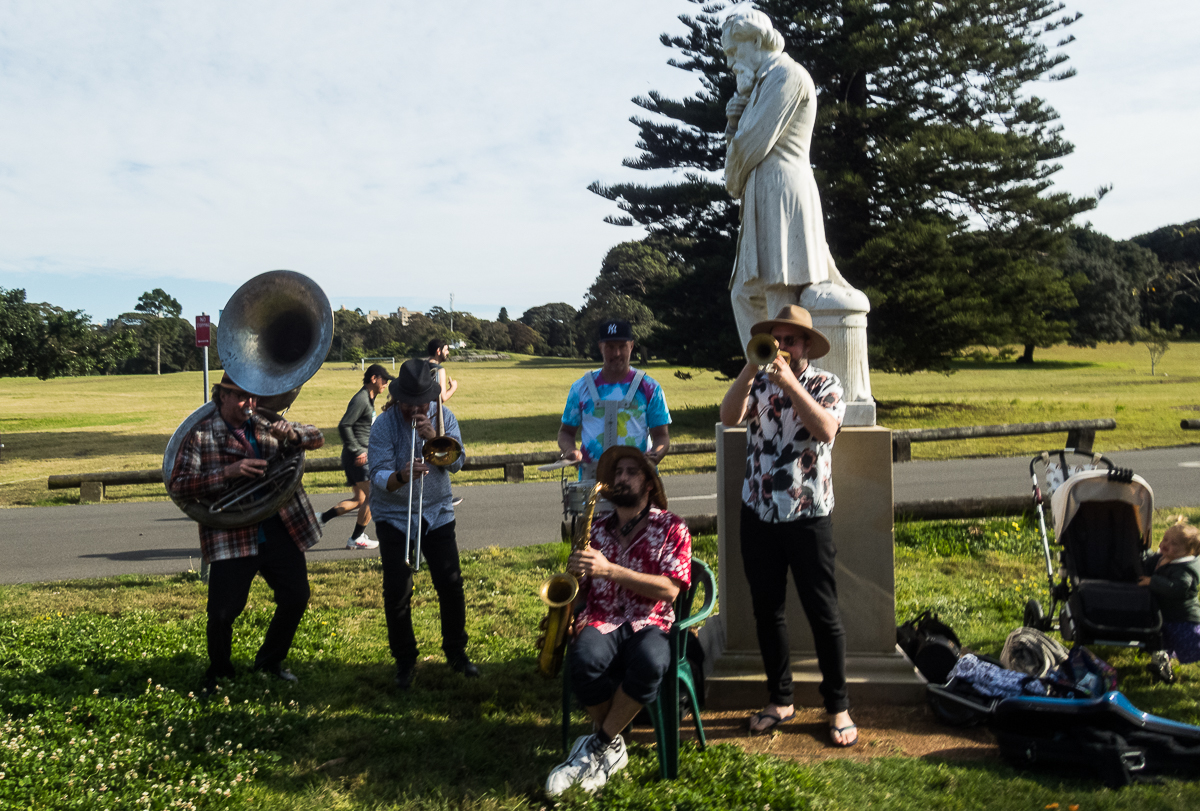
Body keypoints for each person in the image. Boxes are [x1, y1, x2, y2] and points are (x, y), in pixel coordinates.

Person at [719, 304, 857, 746]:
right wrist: (749, 367)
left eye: (790, 341)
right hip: (758, 511)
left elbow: (825, 430)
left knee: (823, 613)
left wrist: (790, 383)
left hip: (808, 515)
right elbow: (728, 418)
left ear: (807, 347)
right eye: (775, 340)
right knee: (767, 609)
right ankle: (780, 699)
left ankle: (838, 706)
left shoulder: (826, 383)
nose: (781, 347)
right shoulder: (756, 380)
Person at [545, 446, 692, 796]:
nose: (621, 478)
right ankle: (612, 743)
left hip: (649, 621)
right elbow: (580, 585)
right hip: (601, 618)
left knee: (650, 662)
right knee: (584, 662)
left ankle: (599, 744)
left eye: (631, 472)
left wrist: (610, 570)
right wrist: (569, 612)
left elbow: (669, 590)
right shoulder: (593, 527)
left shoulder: (672, 527)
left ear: (649, 484)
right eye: (618, 473)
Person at [168, 373, 325, 690]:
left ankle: (270, 661)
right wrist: (227, 472)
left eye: (253, 398)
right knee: (223, 613)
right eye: (241, 398)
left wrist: (291, 435)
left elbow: (317, 436)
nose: (250, 405)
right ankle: (220, 672)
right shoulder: (200, 435)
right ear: (222, 396)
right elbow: (179, 486)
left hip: (278, 526)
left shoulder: (266, 422)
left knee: (296, 597)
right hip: (232, 533)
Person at [721, 8, 853, 348]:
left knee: (782, 296)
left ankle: (788, 382)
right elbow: (741, 145)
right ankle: (767, 374)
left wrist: (733, 165)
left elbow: (751, 145)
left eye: (734, 51)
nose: (731, 62)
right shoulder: (759, 87)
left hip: (783, 195)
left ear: (755, 39)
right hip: (761, 196)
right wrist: (734, 124)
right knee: (744, 293)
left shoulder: (786, 76)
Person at [368, 358, 477, 688]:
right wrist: (401, 476)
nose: (415, 408)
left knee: (451, 584)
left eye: (422, 402)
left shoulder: (446, 418)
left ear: (431, 398)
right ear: (398, 398)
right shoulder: (383, 424)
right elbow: (376, 475)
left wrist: (435, 439)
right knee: (397, 591)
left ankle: (456, 652)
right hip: (395, 516)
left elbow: (459, 464)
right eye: (409, 403)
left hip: (437, 512)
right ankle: (405, 661)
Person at [557, 319, 671, 481]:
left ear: (631, 346)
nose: (616, 353)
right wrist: (570, 451)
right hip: (592, 480)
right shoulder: (581, 388)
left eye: (622, 346)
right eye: (610, 347)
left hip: (637, 481)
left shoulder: (650, 388)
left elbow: (662, 436)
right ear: (600, 347)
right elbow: (566, 432)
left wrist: (655, 455)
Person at [318, 363, 393, 549]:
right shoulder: (361, 399)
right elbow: (344, 425)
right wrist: (357, 449)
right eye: (384, 380)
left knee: (359, 500)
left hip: (354, 457)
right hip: (358, 458)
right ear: (373, 379)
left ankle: (320, 518)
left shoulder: (369, 398)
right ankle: (356, 538)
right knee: (374, 496)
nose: (386, 384)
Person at [1139, 519, 1200, 683]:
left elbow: (1177, 588)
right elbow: (1150, 563)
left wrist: (1152, 582)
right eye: (1165, 539)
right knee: (1162, 640)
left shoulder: (1185, 570)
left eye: (1173, 544)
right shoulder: (1164, 557)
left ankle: (1163, 661)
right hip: (1165, 615)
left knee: (1191, 645)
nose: (1165, 544)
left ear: (1188, 551)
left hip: (1183, 619)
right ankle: (1162, 664)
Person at [426, 338, 459, 403]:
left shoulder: (421, 366)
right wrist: (453, 388)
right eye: (446, 350)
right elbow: (442, 398)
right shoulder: (439, 370)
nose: (448, 352)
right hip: (431, 409)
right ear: (438, 351)